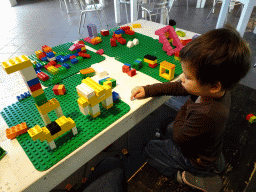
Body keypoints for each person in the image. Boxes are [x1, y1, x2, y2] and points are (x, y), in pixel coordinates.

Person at [130, 24, 251, 191]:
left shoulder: (206, 112)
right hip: (208, 146)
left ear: (214, 86)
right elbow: (181, 87)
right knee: (172, 126)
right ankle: (215, 162)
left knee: (151, 149)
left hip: (194, 158)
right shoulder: (220, 91)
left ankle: (188, 177)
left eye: (188, 77)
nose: (183, 80)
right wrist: (148, 90)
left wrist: (187, 107)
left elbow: (179, 138)